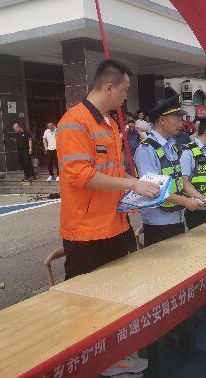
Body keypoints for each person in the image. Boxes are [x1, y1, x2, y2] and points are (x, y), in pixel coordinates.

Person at [56, 58, 159, 376]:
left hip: (116, 225)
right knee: (85, 302)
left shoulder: (110, 124)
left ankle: (115, 355)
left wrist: (136, 188)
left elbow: (113, 173)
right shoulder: (73, 123)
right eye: (125, 90)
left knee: (120, 296)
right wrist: (132, 184)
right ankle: (85, 362)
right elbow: (81, 176)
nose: (126, 97)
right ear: (110, 87)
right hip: (86, 233)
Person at [134, 95, 203, 245]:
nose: (181, 122)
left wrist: (202, 200)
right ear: (162, 120)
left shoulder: (172, 146)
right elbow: (153, 190)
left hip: (178, 218)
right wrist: (186, 201)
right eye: (177, 118)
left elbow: (182, 181)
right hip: (158, 225)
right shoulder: (146, 149)